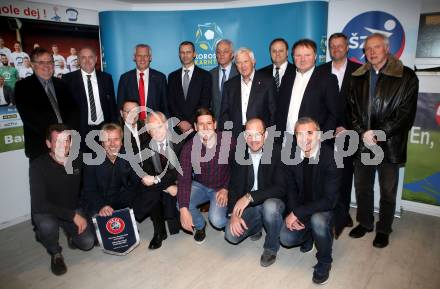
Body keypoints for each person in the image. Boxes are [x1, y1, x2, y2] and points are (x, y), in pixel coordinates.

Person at [348, 33, 419, 248]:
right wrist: (362, 132)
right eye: (368, 48)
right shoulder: (358, 75)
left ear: (386, 49)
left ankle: (384, 229)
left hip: (389, 145)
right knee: (362, 187)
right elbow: (351, 108)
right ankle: (366, 223)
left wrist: (378, 134)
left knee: (388, 191)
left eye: (377, 47)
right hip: (363, 142)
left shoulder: (405, 76)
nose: (372, 51)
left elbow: (406, 114)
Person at [280, 117, 342, 285]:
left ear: (319, 135)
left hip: (325, 209)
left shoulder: (332, 158)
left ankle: (324, 260)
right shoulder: (291, 156)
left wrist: (297, 213)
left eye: (310, 133)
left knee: (318, 220)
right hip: (303, 207)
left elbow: (329, 200)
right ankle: (309, 235)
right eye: (299, 134)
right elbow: (291, 190)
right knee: (286, 238)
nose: (304, 138)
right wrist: (294, 213)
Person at [30, 124, 95, 276]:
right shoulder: (37, 166)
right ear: (48, 144)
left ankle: (69, 233)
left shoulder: (77, 159)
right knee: (46, 226)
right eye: (57, 141)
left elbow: (89, 186)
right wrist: (73, 216)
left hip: (71, 208)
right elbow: (39, 204)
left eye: (66, 141)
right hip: (47, 212)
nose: (63, 145)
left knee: (88, 243)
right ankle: (55, 253)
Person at [225, 118, 285, 267]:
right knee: (230, 235)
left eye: (258, 134)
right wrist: (233, 214)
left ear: (265, 135)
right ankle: (256, 226)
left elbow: (281, 188)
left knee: (270, 207)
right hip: (251, 206)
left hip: (273, 201)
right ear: (245, 137)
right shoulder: (238, 153)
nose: (253, 139)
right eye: (249, 135)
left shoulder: (277, 152)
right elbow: (233, 186)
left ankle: (271, 246)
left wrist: (250, 196)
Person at [320, 32, 362, 238]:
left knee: (345, 175)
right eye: (332, 46)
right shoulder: (320, 71)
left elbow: (362, 105)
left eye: (340, 46)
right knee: (325, 175)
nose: (336, 49)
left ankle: (343, 215)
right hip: (325, 133)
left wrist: (345, 127)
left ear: (347, 48)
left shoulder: (359, 71)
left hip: (349, 132)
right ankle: (325, 212)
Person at [177, 108, 234, 243]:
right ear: (196, 127)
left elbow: (238, 169)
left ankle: (228, 219)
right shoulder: (189, 148)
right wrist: (183, 210)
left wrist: (226, 188)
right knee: (181, 204)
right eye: (201, 124)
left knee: (218, 221)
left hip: (221, 187)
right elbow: (183, 179)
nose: (205, 127)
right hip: (201, 185)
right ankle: (200, 226)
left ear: (215, 125)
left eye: (209, 123)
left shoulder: (228, 141)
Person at [15, 48, 79, 161]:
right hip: (41, 147)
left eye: (50, 62)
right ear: (33, 65)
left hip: (67, 145)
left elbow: (74, 111)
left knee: (70, 178)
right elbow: (29, 118)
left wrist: (67, 135)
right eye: (41, 62)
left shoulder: (62, 84)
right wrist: (55, 138)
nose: (46, 65)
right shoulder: (23, 86)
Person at [132, 110, 182, 249]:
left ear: (166, 125)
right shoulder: (145, 147)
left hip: (177, 182)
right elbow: (146, 172)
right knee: (151, 191)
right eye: (152, 129)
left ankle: (172, 223)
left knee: (153, 188)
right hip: (161, 184)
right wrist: (161, 184)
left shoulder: (179, 142)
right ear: (148, 131)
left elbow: (179, 172)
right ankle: (159, 232)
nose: (157, 132)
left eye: (159, 126)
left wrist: (157, 181)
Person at [275, 39, 339, 141]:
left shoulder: (328, 79)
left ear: (315, 57)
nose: (302, 59)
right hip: (286, 139)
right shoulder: (287, 78)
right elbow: (280, 109)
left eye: (307, 55)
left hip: (313, 141)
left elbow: (333, 114)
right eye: (298, 55)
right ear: (293, 57)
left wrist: (321, 138)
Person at [63, 46, 118, 151]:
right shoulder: (68, 80)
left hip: (104, 129)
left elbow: (112, 106)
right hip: (81, 132)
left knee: (106, 163)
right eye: (83, 57)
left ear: (96, 59)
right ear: (78, 60)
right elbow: (66, 109)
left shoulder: (106, 78)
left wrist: (114, 128)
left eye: (90, 57)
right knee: (86, 164)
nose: (87, 61)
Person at [82, 123, 139, 217]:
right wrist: (102, 206)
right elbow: (89, 190)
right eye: (108, 140)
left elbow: (135, 182)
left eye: (116, 139)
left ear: (121, 142)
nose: (112, 144)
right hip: (100, 200)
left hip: (122, 198)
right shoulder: (90, 161)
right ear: (102, 143)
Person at [220, 47, 276, 138]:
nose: (243, 66)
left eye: (246, 61)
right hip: (236, 136)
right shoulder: (229, 85)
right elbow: (224, 114)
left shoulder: (268, 81)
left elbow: (273, 111)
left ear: (253, 62)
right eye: (239, 62)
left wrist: (270, 136)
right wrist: (228, 135)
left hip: (260, 135)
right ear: (236, 65)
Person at [168, 41, 212, 134]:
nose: (185, 55)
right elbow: (171, 103)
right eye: (182, 52)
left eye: (188, 52)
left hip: (197, 126)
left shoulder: (205, 76)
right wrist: (180, 121)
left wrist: (191, 122)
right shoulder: (172, 76)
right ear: (179, 55)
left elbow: (205, 102)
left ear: (194, 54)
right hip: (178, 128)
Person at [117, 44, 168, 118]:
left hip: (154, 124)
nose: (142, 59)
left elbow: (165, 105)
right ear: (134, 57)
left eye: (146, 56)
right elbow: (120, 105)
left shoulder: (160, 78)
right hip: (132, 123)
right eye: (139, 55)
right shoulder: (125, 78)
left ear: (150, 58)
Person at [209, 39, 238, 118]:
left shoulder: (240, 72)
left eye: (225, 51)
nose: (221, 54)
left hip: (236, 123)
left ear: (232, 54)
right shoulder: (210, 75)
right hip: (216, 124)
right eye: (218, 52)